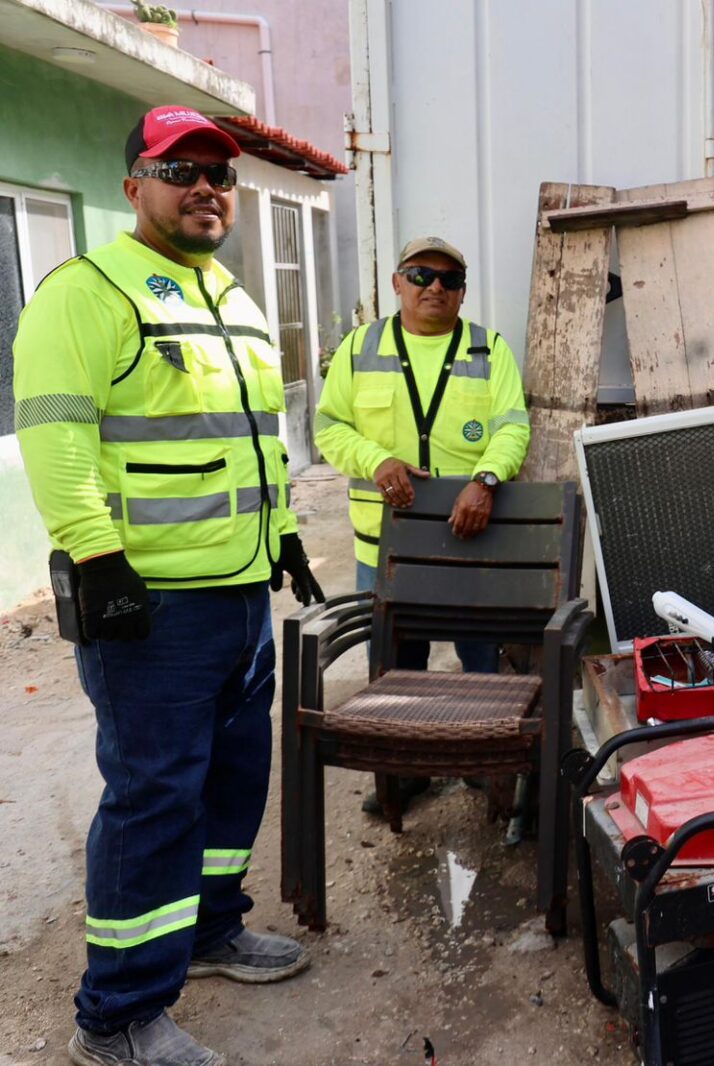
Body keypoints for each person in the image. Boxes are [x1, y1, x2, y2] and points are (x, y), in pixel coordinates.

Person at [13, 105, 324, 1066]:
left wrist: (283, 537)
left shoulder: (230, 297)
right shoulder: (85, 291)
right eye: (181, 166)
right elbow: (56, 434)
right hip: (148, 608)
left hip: (238, 597)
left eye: (220, 174)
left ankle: (209, 929)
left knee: (231, 782)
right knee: (153, 798)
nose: (206, 186)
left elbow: (251, 446)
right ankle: (116, 1015)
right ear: (134, 185)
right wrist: (94, 556)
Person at [314, 236, 529, 814]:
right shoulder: (360, 348)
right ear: (397, 282)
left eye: (450, 279)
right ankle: (404, 769)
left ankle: (478, 764)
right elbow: (329, 426)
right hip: (385, 543)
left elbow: (513, 426)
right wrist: (376, 461)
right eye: (421, 274)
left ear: (462, 291)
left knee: (479, 657)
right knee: (396, 662)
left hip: (472, 535)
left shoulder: (489, 349)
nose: (435, 286)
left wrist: (485, 480)